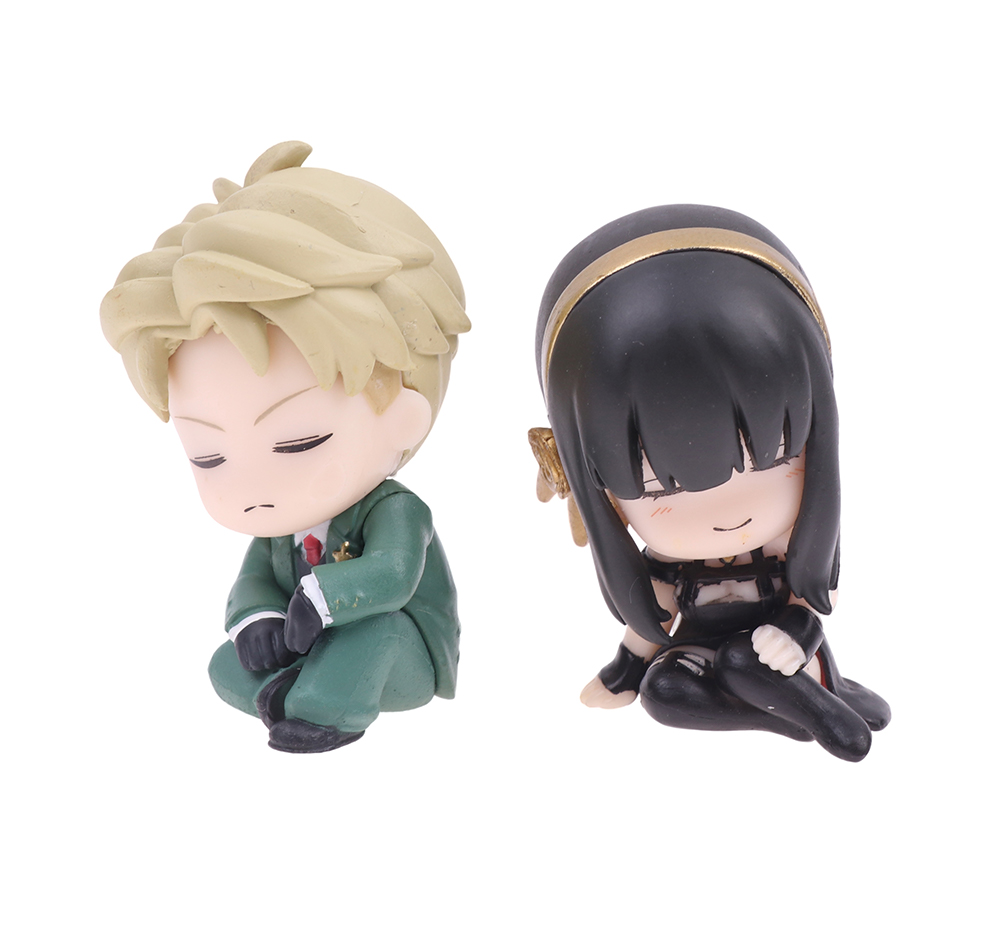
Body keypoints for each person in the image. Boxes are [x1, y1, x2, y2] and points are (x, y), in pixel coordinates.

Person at [101, 141, 469, 753]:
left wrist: (321, 599)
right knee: (226, 663)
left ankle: (328, 709)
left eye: (300, 443)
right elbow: (252, 582)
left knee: (372, 635)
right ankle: (293, 693)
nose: (253, 488)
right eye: (208, 456)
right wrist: (257, 620)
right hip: (309, 645)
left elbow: (394, 575)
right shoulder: (277, 527)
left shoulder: (396, 510)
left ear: (404, 419)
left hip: (400, 649)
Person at [530, 204, 889, 761]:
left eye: (772, 459)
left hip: (791, 662)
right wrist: (623, 674)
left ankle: (820, 703)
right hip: (705, 663)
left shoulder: (787, 550)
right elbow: (650, 626)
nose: (729, 510)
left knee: (747, 660)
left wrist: (792, 636)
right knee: (664, 690)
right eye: (661, 488)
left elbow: (808, 606)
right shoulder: (670, 568)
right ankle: (795, 721)